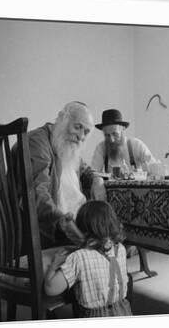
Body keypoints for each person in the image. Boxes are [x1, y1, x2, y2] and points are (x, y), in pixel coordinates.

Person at [16, 101, 106, 249]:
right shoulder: (37, 142)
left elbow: (83, 169)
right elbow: (36, 194)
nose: (81, 136)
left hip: (74, 222)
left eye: (86, 132)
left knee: (110, 241)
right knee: (100, 252)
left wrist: (97, 178)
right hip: (52, 230)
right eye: (77, 127)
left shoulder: (66, 144)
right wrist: (63, 222)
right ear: (62, 119)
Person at [44, 200, 132, 318]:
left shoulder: (78, 258)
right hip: (123, 310)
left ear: (82, 229)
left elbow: (51, 289)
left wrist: (54, 265)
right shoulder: (120, 249)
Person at [91, 109, 155, 173]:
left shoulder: (137, 145)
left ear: (123, 129)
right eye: (107, 135)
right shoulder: (101, 148)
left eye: (115, 134)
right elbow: (94, 173)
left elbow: (154, 168)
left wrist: (144, 171)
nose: (112, 140)